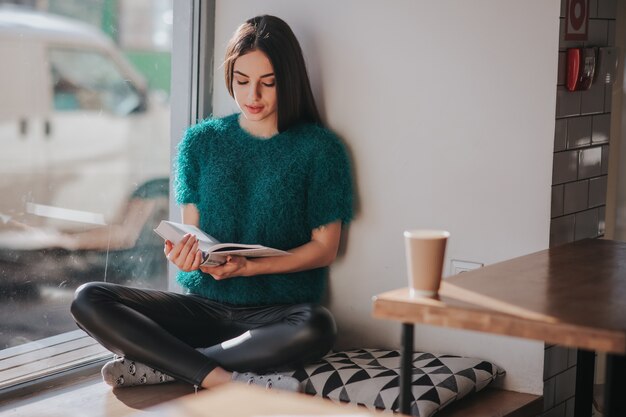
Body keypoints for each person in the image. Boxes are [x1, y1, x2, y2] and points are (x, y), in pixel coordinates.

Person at [70, 15, 353, 392]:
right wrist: (182, 256)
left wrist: (250, 269)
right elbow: (193, 234)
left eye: (268, 83)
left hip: (277, 314)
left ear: (289, 80)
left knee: (318, 326)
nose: (253, 96)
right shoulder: (201, 142)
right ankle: (220, 377)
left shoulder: (319, 150)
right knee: (89, 298)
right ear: (230, 78)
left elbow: (324, 249)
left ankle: (168, 365)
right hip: (204, 306)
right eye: (242, 82)